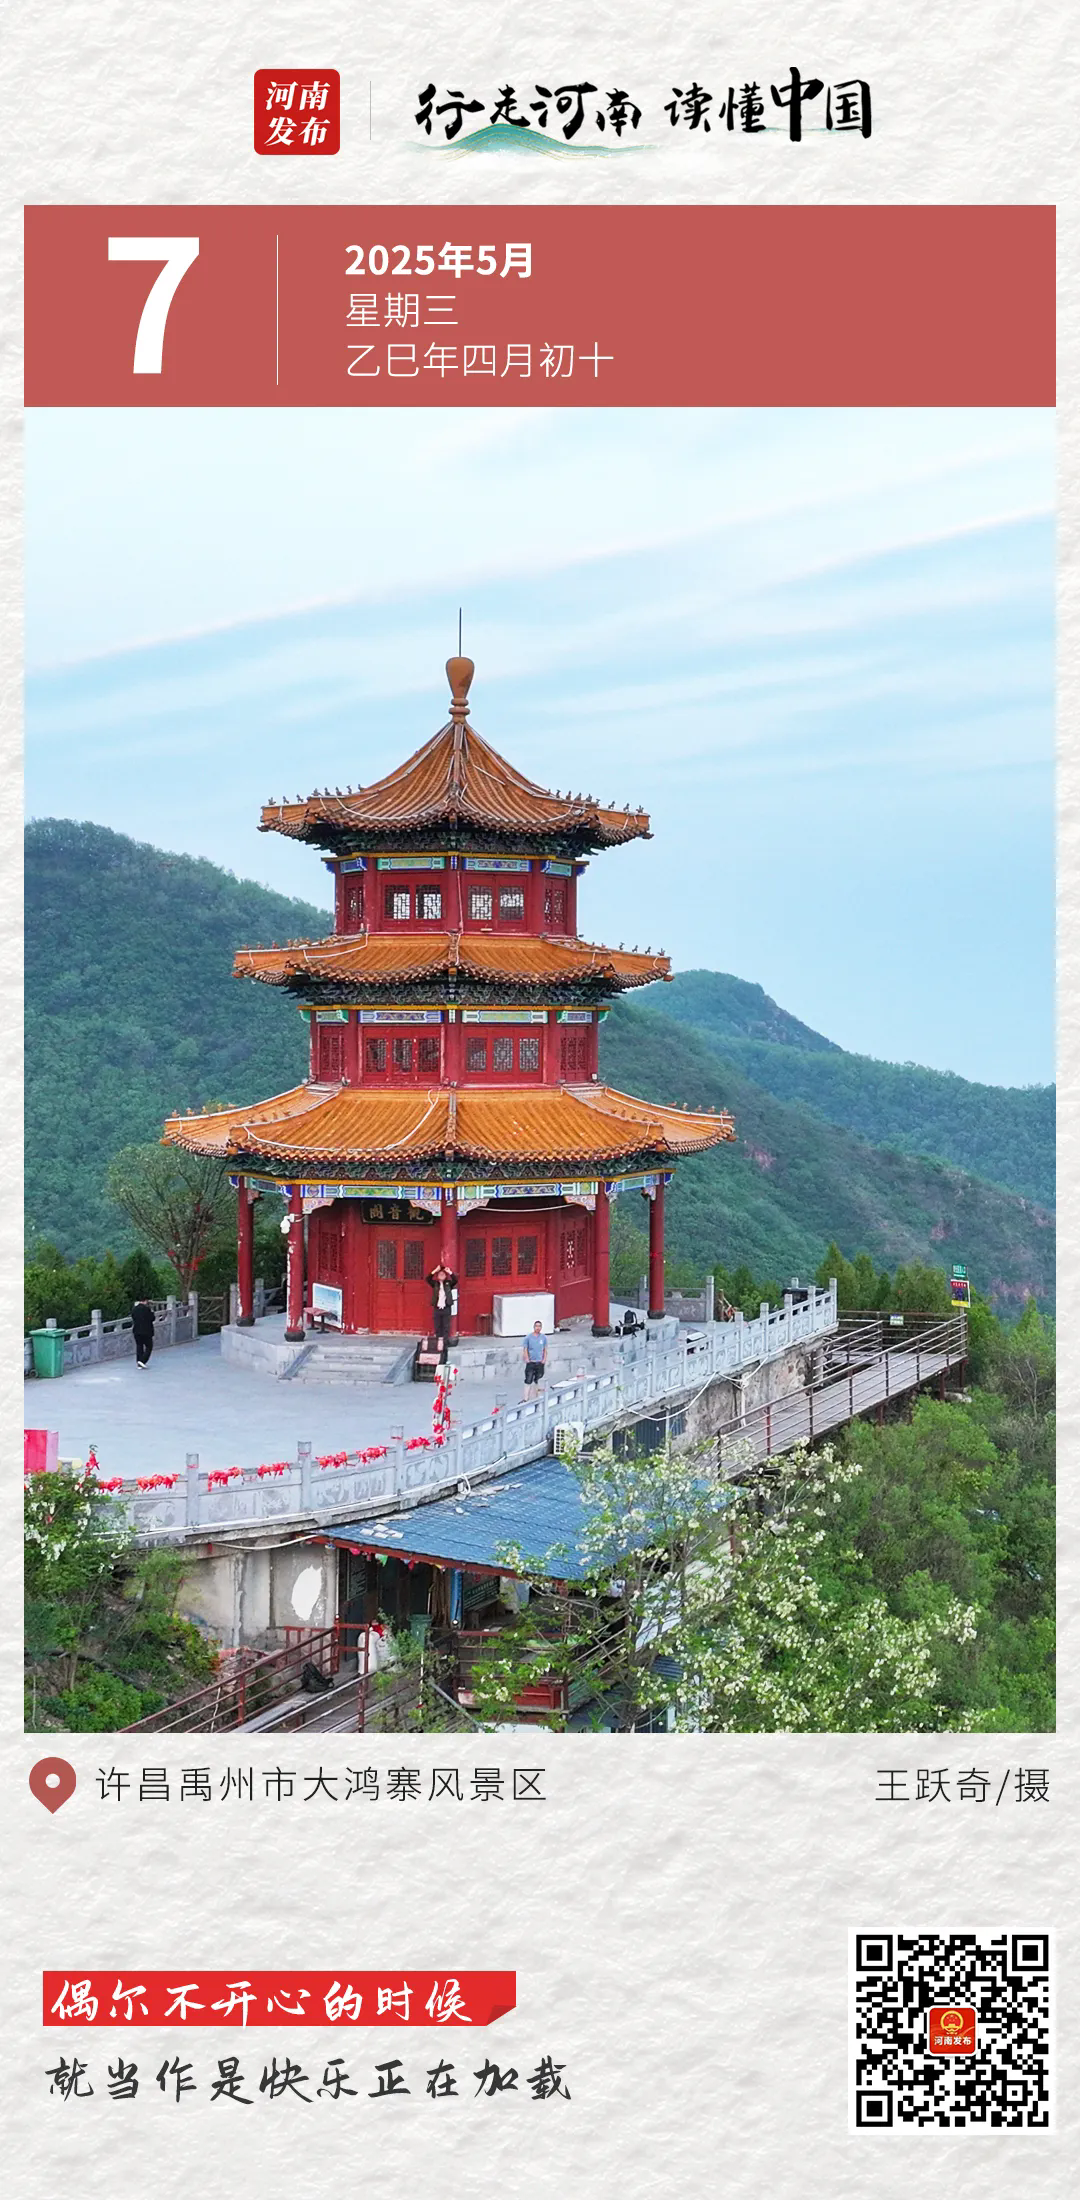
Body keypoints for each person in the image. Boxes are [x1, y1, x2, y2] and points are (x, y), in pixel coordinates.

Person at [426, 1261, 458, 1359]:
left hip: (446, 1308)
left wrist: (449, 1272)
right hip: (437, 1308)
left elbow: (455, 1280)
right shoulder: (435, 1284)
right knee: (438, 1326)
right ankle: (438, 1343)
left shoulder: (448, 1284)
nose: (441, 1276)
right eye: (440, 1274)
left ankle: (444, 1344)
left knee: (446, 1326)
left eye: (443, 1274)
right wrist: (435, 1270)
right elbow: (428, 1279)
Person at [522, 1319, 547, 1394]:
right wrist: (527, 1359)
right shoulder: (528, 1337)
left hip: (540, 1362)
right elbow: (525, 1349)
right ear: (534, 1327)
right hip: (531, 1362)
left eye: (539, 1326)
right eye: (536, 1326)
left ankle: (537, 1396)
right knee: (528, 1380)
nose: (538, 1328)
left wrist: (544, 1360)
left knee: (538, 1379)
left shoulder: (543, 1338)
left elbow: (545, 1349)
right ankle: (526, 1398)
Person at [131, 1298, 155, 1368]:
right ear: (145, 1301)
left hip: (136, 1331)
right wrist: (152, 1311)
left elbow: (133, 1317)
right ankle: (142, 1361)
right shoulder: (147, 1309)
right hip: (146, 1331)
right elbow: (152, 1318)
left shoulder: (134, 1309)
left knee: (139, 1346)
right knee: (149, 1346)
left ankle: (139, 1363)